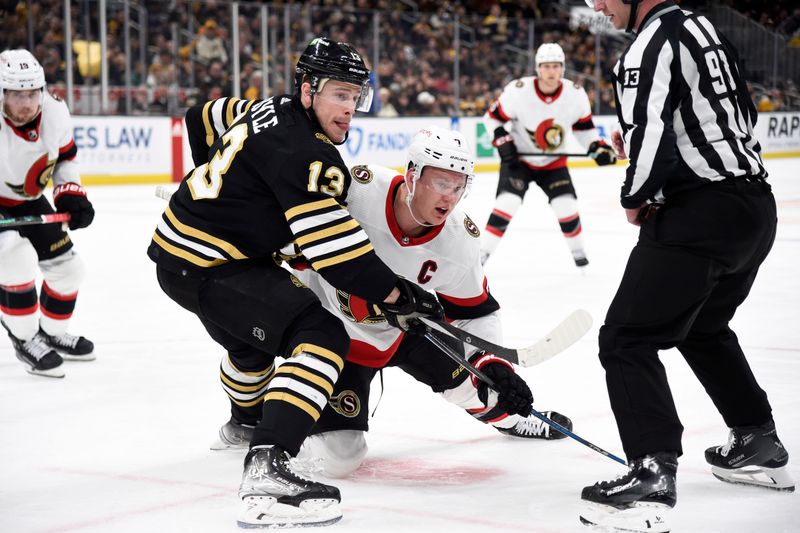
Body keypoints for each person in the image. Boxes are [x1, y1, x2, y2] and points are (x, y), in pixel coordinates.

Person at [147, 37, 443, 529]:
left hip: (180, 255)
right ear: (308, 91)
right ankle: (267, 468)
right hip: (211, 265)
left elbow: (202, 116)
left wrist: (224, 189)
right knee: (321, 335)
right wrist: (400, 295)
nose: (351, 109)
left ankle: (243, 423)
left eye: (357, 97)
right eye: (340, 95)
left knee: (252, 343)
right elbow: (340, 259)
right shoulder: (308, 156)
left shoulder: (262, 108)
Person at [192, 124, 574, 476]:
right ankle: (279, 418)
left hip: (407, 327)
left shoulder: (459, 241)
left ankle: (514, 417)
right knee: (341, 457)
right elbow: (292, 222)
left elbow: (477, 311)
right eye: (441, 183)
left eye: (459, 186)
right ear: (412, 174)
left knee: (478, 382)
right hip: (335, 338)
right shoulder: (356, 191)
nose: (451, 197)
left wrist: (495, 364)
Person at [580, 1, 793, 530]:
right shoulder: (701, 27)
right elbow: (733, 117)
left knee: (626, 339)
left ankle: (650, 474)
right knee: (703, 326)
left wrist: (637, 193)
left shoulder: (652, 41)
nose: (598, 8)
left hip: (699, 212)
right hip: (752, 207)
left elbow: (650, 129)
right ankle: (756, 438)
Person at [0, 49, 95, 379]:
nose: (26, 103)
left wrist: (70, 194)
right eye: (16, 95)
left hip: (28, 199)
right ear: (3, 94)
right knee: (15, 258)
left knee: (69, 270)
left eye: (31, 94)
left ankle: (50, 333)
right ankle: (25, 339)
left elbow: (66, 159)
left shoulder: (55, 112)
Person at [480, 43, 617, 268]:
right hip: (519, 161)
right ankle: (482, 253)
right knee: (507, 203)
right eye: (546, 66)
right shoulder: (518, 90)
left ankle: (578, 250)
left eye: (556, 66)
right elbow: (491, 118)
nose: (551, 71)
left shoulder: (575, 94)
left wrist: (596, 147)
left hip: (553, 164)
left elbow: (584, 130)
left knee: (567, 206)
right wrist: (502, 140)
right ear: (538, 68)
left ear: (562, 68)